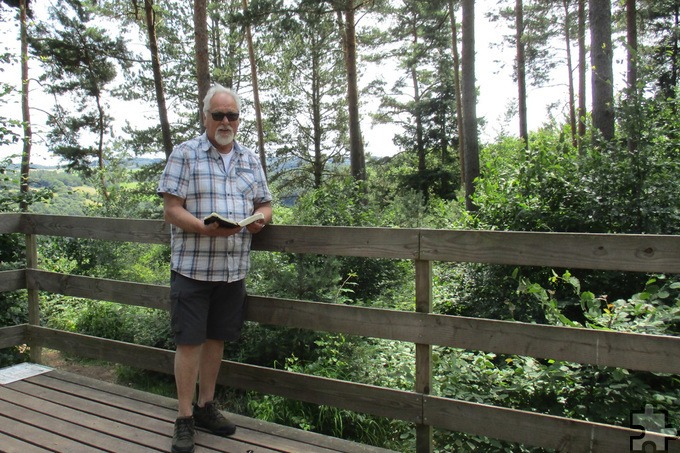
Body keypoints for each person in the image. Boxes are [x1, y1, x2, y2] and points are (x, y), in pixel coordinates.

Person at [157, 84, 272, 453]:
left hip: (232, 269)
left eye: (232, 115)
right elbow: (171, 209)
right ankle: (184, 417)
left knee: (216, 339)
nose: (225, 121)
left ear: (239, 119)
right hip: (192, 266)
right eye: (218, 114)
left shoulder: (250, 159)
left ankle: (207, 406)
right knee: (189, 342)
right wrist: (203, 228)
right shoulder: (185, 154)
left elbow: (265, 204)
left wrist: (259, 220)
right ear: (205, 116)